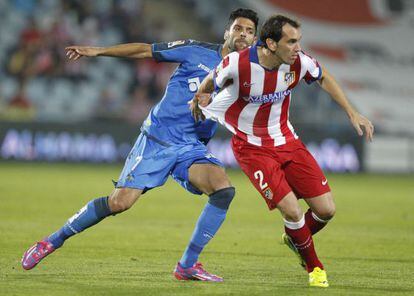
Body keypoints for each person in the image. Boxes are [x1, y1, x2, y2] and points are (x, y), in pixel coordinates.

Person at [21, 8, 259, 282]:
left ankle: (187, 265)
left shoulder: (247, 74)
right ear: (227, 32)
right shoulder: (194, 50)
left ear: (254, 39)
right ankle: (51, 241)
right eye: (238, 28)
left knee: (223, 190)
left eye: (250, 31)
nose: (243, 35)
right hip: (158, 138)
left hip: (190, 147)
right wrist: (98, 51)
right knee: (120, 203)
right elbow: (146, 50)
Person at [191, 14, 374, 287]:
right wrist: (200, 96)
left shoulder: (299, 62)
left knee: (326, 210)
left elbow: (324, 77)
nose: (298, 48)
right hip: (252, 148)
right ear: (271, 44)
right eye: (291, 42)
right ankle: (315, 268)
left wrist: (352, 112)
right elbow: (211, 78)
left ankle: (295, 239)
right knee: (291, 211)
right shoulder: (238, 64)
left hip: (288, 142)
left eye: (299, 41)